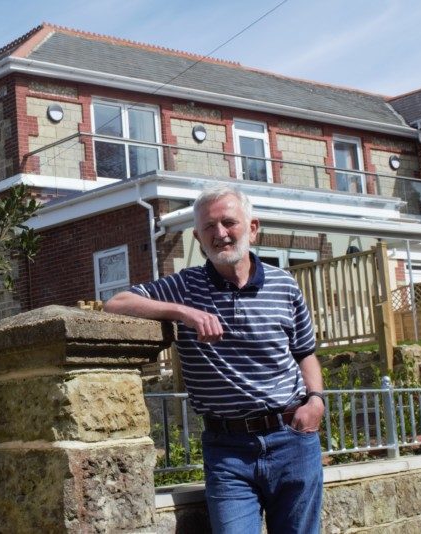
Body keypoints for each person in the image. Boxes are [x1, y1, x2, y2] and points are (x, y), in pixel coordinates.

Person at [104, 183, 325, 533]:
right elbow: (115, 303)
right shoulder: (186, 286)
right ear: (197, 237)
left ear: (252, 227)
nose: (220, 234)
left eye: (229, 222)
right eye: (209, 227)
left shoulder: (285, 285)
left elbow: (305, 354)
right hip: (227, 449)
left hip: (292, 440)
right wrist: (183, 313)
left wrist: (316, 400)